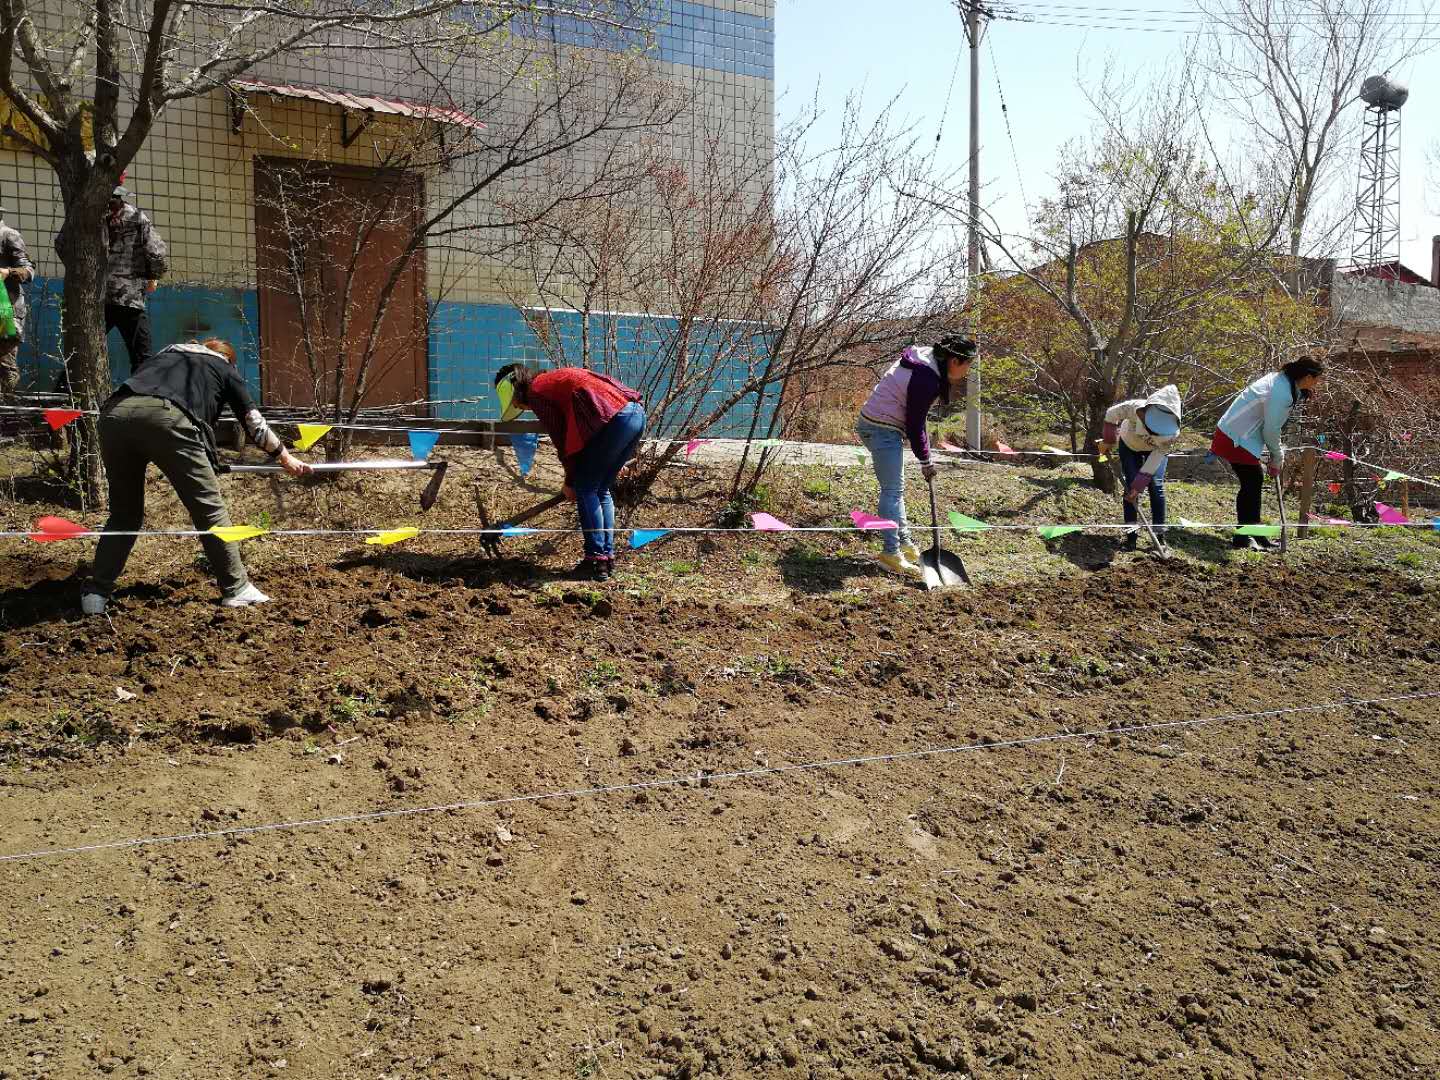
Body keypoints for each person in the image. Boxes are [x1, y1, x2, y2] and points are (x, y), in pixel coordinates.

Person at [81, 339, 311, 615]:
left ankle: (97, 592)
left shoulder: (168, 353)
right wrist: (284, 456)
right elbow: (252, 421)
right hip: (169, 418)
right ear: (229, 359)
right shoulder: (224, 368)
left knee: (124, 514)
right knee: (210, 511)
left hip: (114, 415)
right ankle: (236, 589)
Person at [494, 363, 646, 582]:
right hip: (635, 414)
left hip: (616, 419)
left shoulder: (537, 392)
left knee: (586, 487)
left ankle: (594, 561)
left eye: (513, 401)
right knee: (600, 489)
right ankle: (605, 559)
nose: (518, 406)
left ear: (515, 391)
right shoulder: (550, 381)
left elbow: (562, 440)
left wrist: (570, 481)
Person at [855, 335, 976, 577]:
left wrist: (925, 458)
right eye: (967, 364)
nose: (968, 370)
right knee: (892, 491)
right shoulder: (927, 377)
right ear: (954, 361)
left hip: (879, 424)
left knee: (895, 489)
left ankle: (905, 543)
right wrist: (926, 461)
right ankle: (890, 554)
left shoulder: (928, 360)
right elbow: (915, 424)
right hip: (880, 427)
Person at [1211, 358, 1325, 551]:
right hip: (1235, 436)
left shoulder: (1283, 382)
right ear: (1307, 377)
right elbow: (1272, 429)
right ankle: (1243, 537)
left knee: (1253, 481)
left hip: (1239, 434)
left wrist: (1273, 454)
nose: (1317, 383)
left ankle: (1256, 535)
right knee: (1252, 481)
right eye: (1316, 379)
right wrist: (1277, 457)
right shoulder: (1281, 392)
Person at [56, 186, 167, 374]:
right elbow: (155, 252)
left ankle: (67, 394)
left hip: (91, 297)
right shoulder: (136, 217)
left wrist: (80, 273)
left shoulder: (83, 215)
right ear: (121, 197)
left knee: (81, 352)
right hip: (128, 296)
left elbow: (61, 244)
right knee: (141, 354)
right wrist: (154, 277)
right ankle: (138, 396)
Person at [1097, 385, 1182, 551]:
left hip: (1154, 453)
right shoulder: (1134, 407)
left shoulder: (1172, 434)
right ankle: (1131, 537)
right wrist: (1108, 440)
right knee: (1130, 489)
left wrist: (1139, 486)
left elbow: (1153, 462)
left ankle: (1159, 536)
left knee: (1156, 487)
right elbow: (1111, 414)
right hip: (1129, 446)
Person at [0, 199, 34, 407]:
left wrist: (8, 272)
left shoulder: (9, 236)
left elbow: (29, 272)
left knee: (5, 364)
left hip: (7, 310)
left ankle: (9, 419)